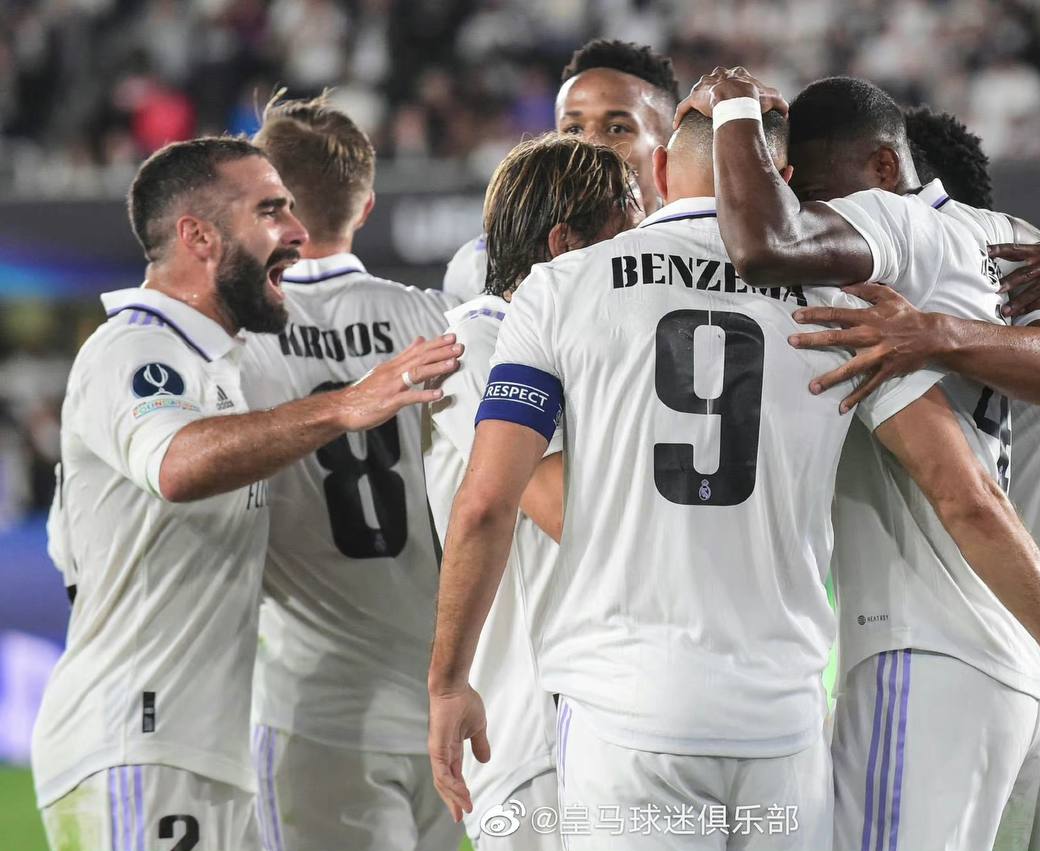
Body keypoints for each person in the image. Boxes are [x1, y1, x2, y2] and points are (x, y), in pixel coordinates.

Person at [676, 69, 1040, 851]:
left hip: (924, 647)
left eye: (810, 192)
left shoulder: (887, 225)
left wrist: (734, 113)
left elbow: (764, 245)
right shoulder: (1010, 237)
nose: (811, 217)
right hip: (1011, 667)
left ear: (885, 168)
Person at [31, 137, 459, 851]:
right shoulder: (136, 349)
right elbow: (176, 463)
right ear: (198, 236)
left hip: (201, 745)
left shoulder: (220, 365)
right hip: (143, 740)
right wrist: (344, 405)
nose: (295, 231)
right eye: (269, 211)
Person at [240, 94, 465, 851]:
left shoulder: (239, 340)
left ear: (271, 207)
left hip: (315, 711)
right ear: (366, 207)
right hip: (440, 703)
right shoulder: (439, 321)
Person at [423, 132, 641, 850]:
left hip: (604, 712)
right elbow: (562, 509)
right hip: (529, 732)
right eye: (629, 226)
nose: (646, 251)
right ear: (564, 244)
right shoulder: (478, 343)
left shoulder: (587, 345)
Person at [442, 38, 679, 301]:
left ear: (671, 145)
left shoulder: (707, 258)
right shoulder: (480, 267)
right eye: (573, 129)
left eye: (617, 128)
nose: (590, 145)